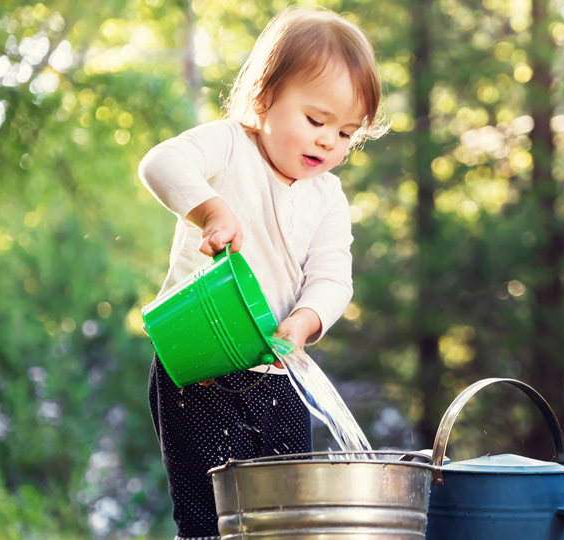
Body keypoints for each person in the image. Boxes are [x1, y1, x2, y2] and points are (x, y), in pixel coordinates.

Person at [138, 7, 386, 539]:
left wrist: (303, 322)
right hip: (200, 366)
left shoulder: (328, 197)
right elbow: (159, 163)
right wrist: (210, 209)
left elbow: (333, 275)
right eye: (316, 121)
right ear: (264, 96)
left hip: (280, 376)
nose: (328, 142)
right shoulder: (228, 145)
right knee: (214, 520)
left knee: (287, 521)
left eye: (346, 133)